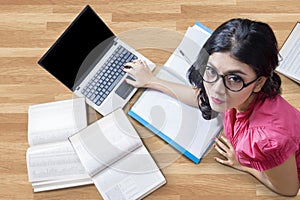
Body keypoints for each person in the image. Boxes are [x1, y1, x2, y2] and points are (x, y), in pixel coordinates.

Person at [123, 18, 300, 196]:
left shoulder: (267, 141)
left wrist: (243, 165)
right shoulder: (241, 94)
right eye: (211, 70)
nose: (215, 90)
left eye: (234, 78)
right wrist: (152, 81)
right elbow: (201, 97)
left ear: (259, 82)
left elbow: (288, 189)